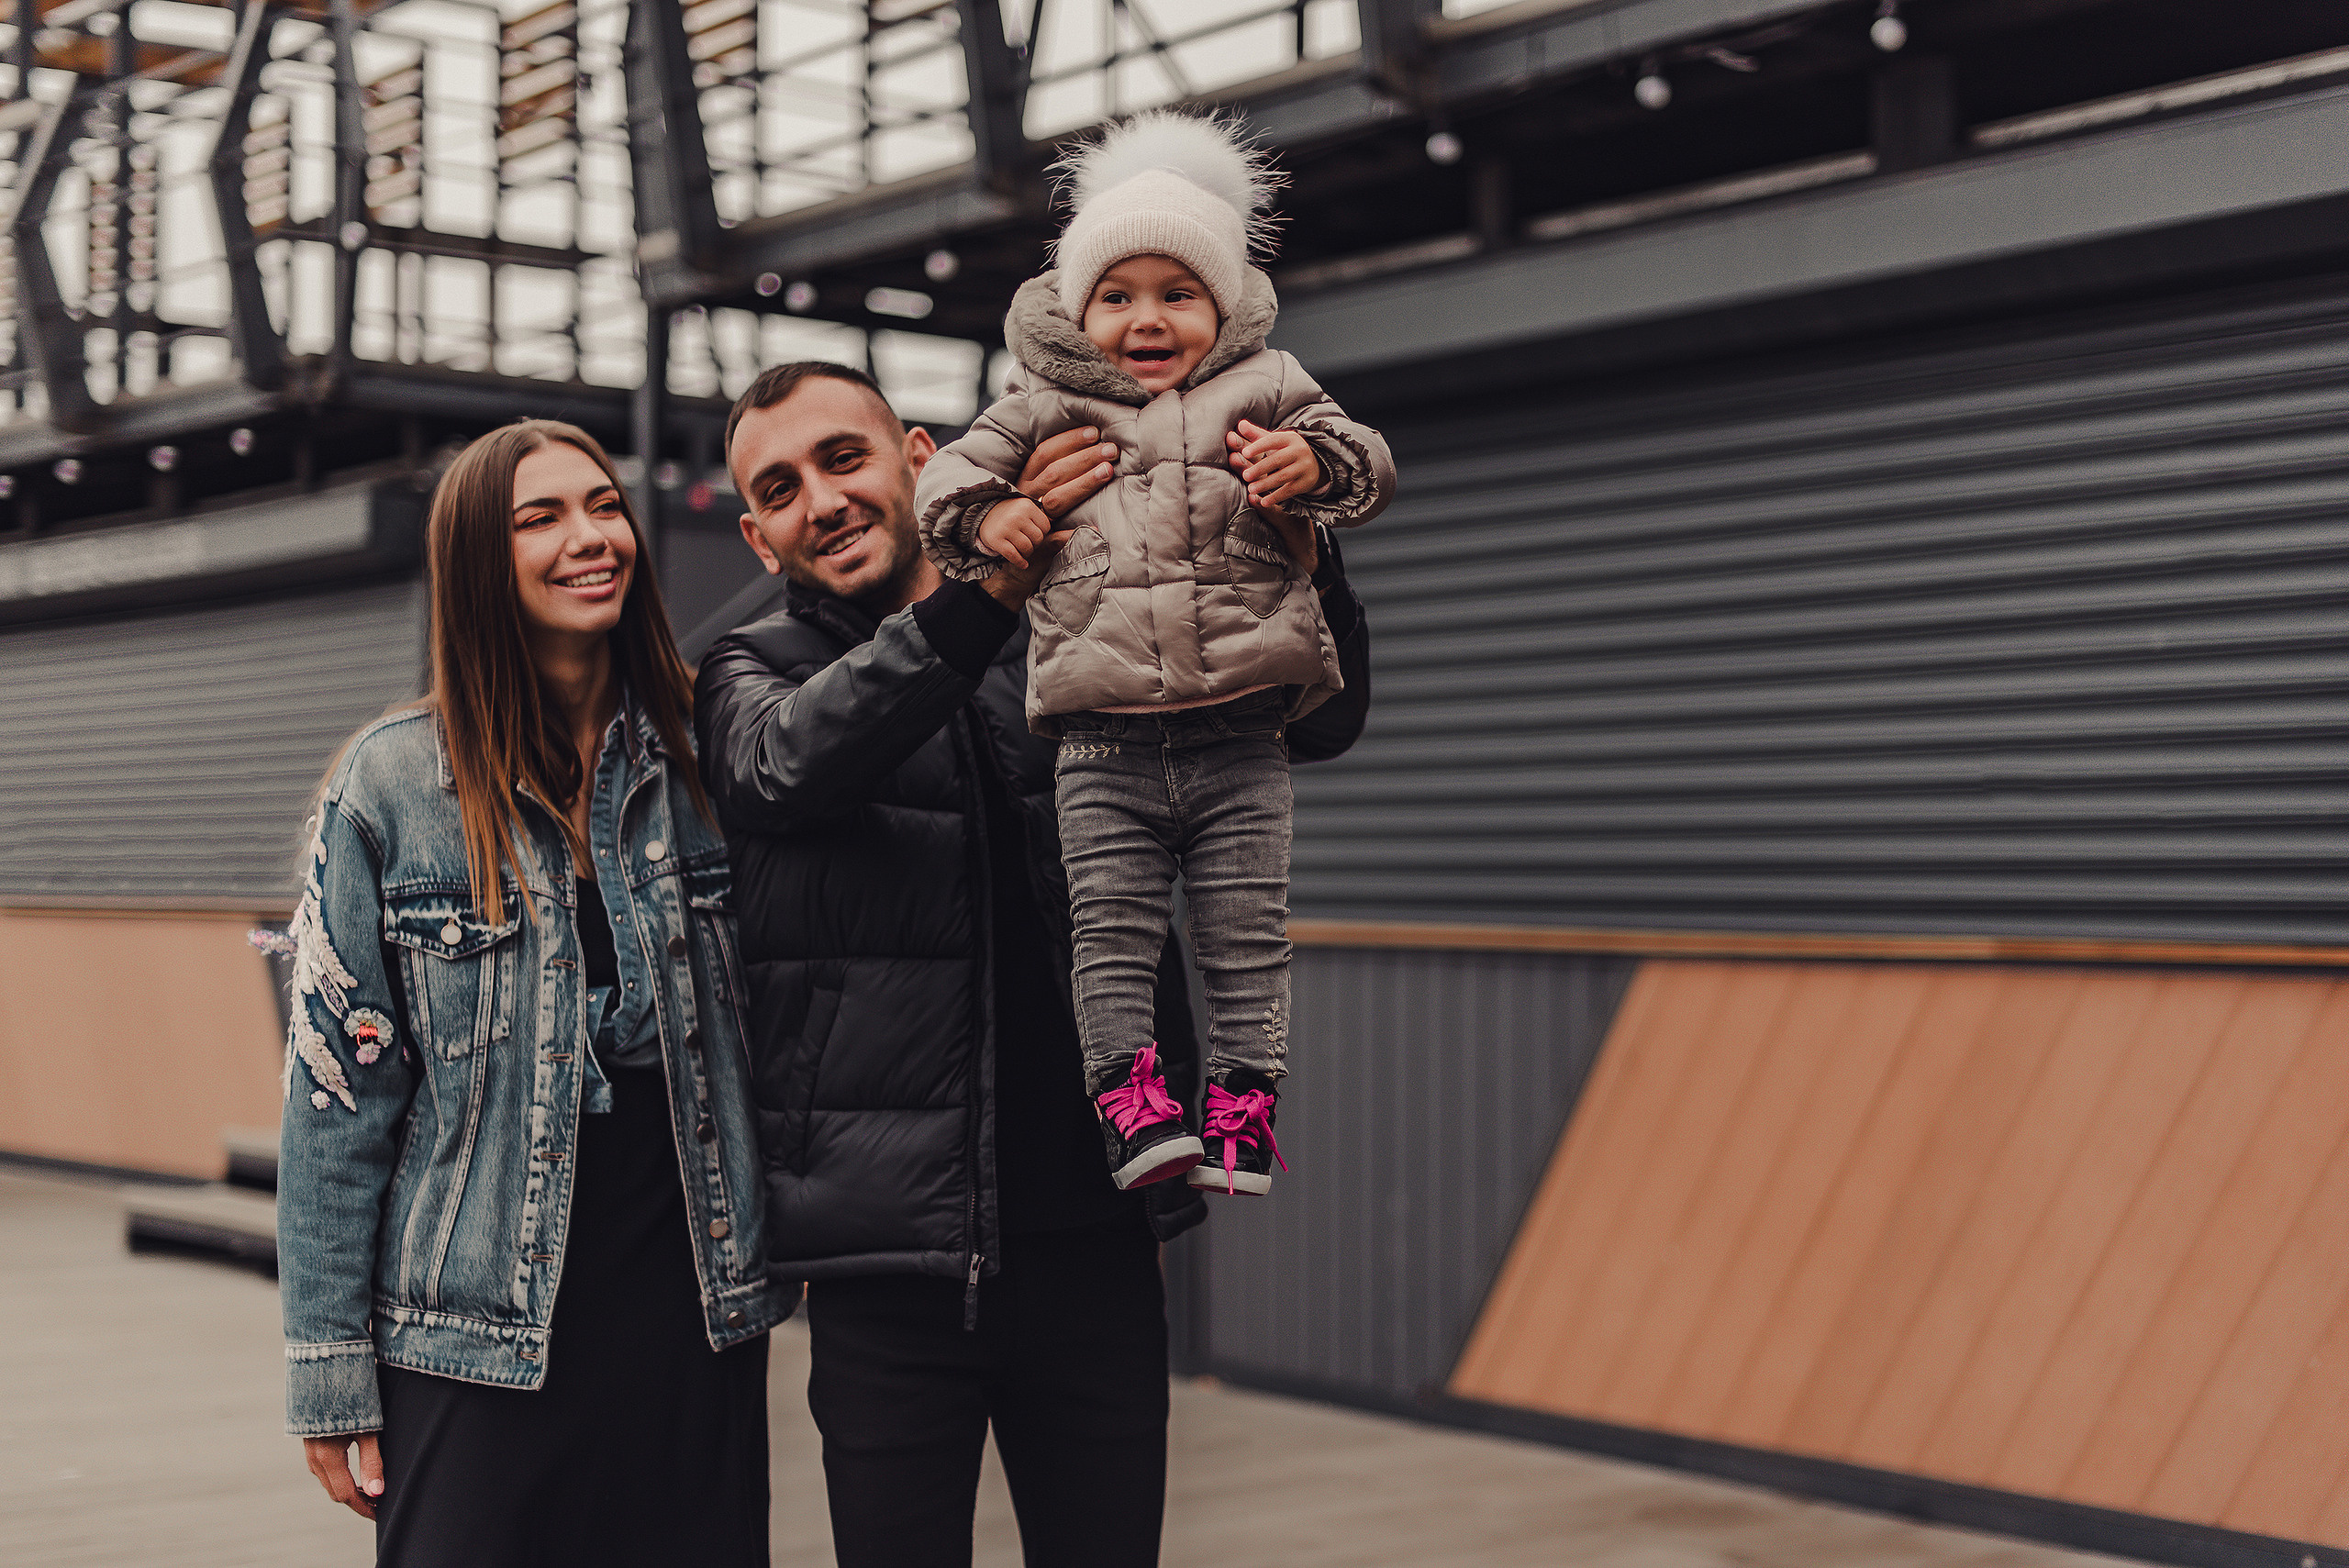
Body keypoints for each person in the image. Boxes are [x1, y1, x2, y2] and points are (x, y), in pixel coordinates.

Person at [692, 358, 1371, 1567]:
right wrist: (990, 592)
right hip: (886, 1271)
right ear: (757, 532)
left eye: (844, 458)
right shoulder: (750, 672)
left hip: (1094, 1239)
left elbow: (1314, 717)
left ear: (916, 455)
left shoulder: (1080, 609)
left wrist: (1295, 538)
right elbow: (788, 767)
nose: (823, 501)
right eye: (782, 488)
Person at [271, 419, 783, 1567]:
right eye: (540, 517)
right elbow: (336, 1102)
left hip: (690, 1314)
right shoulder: (391, 786)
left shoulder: (708, 747)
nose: (590, 536)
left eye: (603, 506)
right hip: (472, 1332)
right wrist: (327, 1367)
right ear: (473, 561)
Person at [915, 110, 1395, 1197]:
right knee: (1115, 932)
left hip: (1242, 738)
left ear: (1220, 305)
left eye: (1177, 292)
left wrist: (1310, 467)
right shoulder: (1039, 403)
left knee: (1245, 929)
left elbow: (1367, 459)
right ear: (1078, 309)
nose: (1148, 317)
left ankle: (1241, 1102)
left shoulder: (1269, 384)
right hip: (1100, 746)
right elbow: (941, 482)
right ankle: (1131, 1102)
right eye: (1118, 294)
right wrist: (993, 519)